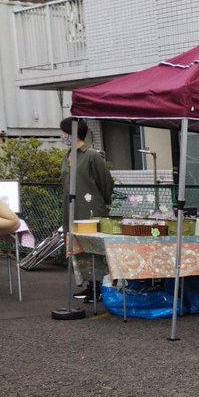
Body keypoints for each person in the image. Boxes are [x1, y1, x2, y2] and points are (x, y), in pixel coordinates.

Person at [59, 117, 115, 301]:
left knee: (94, 248)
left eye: (64, 132)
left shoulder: (91, 155)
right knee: (79, 248)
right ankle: (89, 284)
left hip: (90, 208)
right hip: (71, 209)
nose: (62, 136)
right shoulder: (67, 156)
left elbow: (106, 182)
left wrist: (103, 202)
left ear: (72, 133)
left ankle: (99, 286)